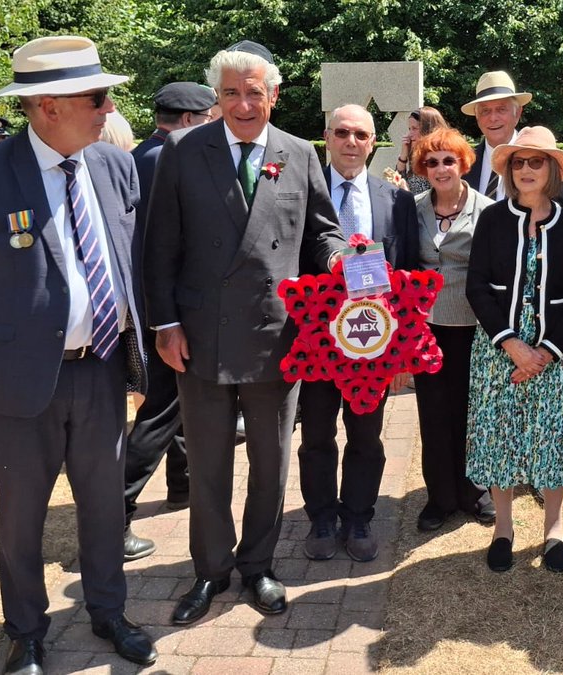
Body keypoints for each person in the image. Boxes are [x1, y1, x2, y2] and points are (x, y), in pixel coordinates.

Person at [0, 36, 157, 673]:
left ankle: (109, 612)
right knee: (21, 515)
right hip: (21, 383)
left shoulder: (114, 165)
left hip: (101, 370)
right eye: (98, 97)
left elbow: (128, 260)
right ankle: (26, 631)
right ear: (49, 107)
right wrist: (6, 351)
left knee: (104, 505)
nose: (110, 108)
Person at [143, 42, 345, 624]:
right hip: (200, 337)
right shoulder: (183, 150)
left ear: (273, 95)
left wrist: (342, 259)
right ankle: (210, 569)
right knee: (208, 465)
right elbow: (159, 246)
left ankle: (258, 566)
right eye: (230, 93)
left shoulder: (299, 152)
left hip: (275, 335)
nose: (243, 104)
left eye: (253, 92)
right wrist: (166, 324)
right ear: (217, 97)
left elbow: (321, 232)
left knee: (270, 461)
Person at [464, 126, 563, 573]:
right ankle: (503, 527)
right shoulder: (492, 219)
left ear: (552, 169)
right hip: (498, 346)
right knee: (499, 434)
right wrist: (511, 344)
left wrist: (547, 351)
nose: (526, 169)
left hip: (553, 347)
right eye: (518, 162)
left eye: (535, 161)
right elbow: (477, 286)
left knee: (552, 435)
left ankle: (553, 528)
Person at [298, 103, 418, 562]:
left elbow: (408, 273)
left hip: (373, 340)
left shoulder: (396, 200)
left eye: (361, 135)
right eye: (342, 132)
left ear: (373, 143)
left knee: (366, 436)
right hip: (317, 342)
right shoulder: (306, 193)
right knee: (316, 435)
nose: (351, 142)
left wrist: (402, 352)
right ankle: (321, 517)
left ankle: (358, 515)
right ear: (327, 137)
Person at [121, 81, 218, 562]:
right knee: (161, 408)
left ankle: (182, 483)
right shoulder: (172, 160)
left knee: (177, 399)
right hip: (172, 310)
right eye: (208, 121)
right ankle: (114, 511)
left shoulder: (139, 156)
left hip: (151, 304)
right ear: (186, 121)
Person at [409, 127, 495, 531]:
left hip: (472, 325)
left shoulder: (487, 210)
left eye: (449, 160)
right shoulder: (412, 209)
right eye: (432, 162)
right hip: (426, 328)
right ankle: (439, 497)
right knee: (433, 413)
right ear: (423, 168)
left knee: (471, 412)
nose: (441, 168)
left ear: (463, 163)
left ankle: (475, 492)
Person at [461, 71, 563, 214]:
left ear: (518, 113)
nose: (493, 118)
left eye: (501, 109)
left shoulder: (547, 162)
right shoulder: (462, 163)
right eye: (485, 111)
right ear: (477, 117)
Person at [394, 106, 448, 194]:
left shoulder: (440, 159)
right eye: (409, 129)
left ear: (428, 129)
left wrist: (407, 194)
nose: (410, 134)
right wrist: (403, 154)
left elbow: (437, 197)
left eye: (414, 128)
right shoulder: (416, 154)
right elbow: (397, 180)